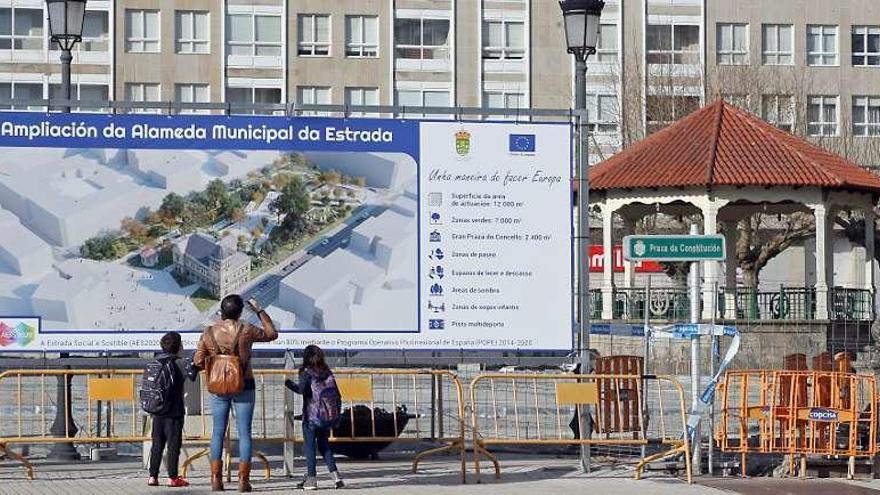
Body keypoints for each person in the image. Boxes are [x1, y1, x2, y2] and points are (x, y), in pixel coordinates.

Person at [194, 295, 278, 492]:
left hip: (217, 387)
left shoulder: (208, 332)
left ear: (221, 312)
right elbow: (272, 333)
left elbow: (198, 360)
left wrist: (212, 360)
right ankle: (243, 481)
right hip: (244, 384)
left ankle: (216, 479)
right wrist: (259, 310)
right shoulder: (247, 329)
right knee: (245, 433)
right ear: (240, 312)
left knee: (217, 432)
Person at [285, 345, 344, 491]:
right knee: (324, 446)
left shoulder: (306, 372)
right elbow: (338, 395)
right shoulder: (327, 371)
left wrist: (288, 383)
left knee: (309, 447)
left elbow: (301, 390)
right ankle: (336, 477)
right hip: (327, 416)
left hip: (311, 417)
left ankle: (311, 480)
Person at [147, 332, 193, 488]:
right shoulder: (180, 363)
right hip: (174, 412)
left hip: (157, 410)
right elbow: (193, 374)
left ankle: (152, 477)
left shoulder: (155, 362)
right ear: (179, 346)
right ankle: (173, 477)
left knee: (157, 445)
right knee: (173, 445)